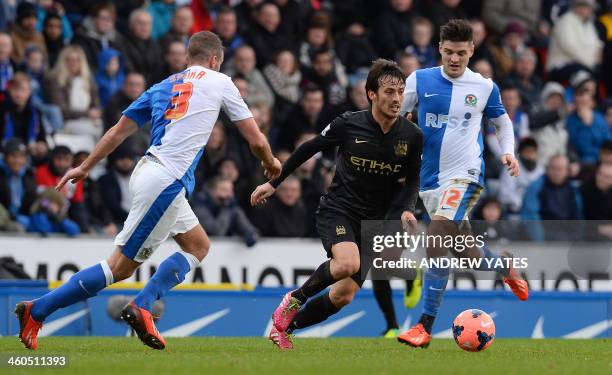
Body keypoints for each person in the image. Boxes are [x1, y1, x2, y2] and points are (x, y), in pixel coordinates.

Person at [15, 31, 280, 351]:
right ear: (214, 61)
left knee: (198, 245)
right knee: (118, 268)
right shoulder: (220, 81)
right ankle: (40, 310)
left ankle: (144, 302)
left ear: (187, 59)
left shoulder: (162, 86)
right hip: (166, 181)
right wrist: (271, 163)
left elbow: (117, 131)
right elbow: (256, 140)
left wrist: (86, 166)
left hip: (151, 172)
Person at [251, 58, 423, 350]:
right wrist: (273, 183)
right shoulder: (349, 123)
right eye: (389, 92)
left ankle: (285, 328)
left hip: (375, 223)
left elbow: (413, 180)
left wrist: (407, 208)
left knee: (343, 296)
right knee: (347, 263)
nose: (397, 99)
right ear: (372, 94)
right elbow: (309, 148)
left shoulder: (412, 136)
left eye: (400, 92)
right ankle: (294, 299)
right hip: (339, 209)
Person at [397, 19, 528, 348]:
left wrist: (509, 152)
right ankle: (505, 266)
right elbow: (398, 118)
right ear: (439, 48)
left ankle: (424, 326)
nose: (454, 59)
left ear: (472, 50)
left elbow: (502, 122)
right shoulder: (420, 80)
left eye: (461, 53)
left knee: (437, 236)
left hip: (467, 175)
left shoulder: (484, 86)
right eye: (449, 52)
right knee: (467, 255)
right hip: (430, 182)